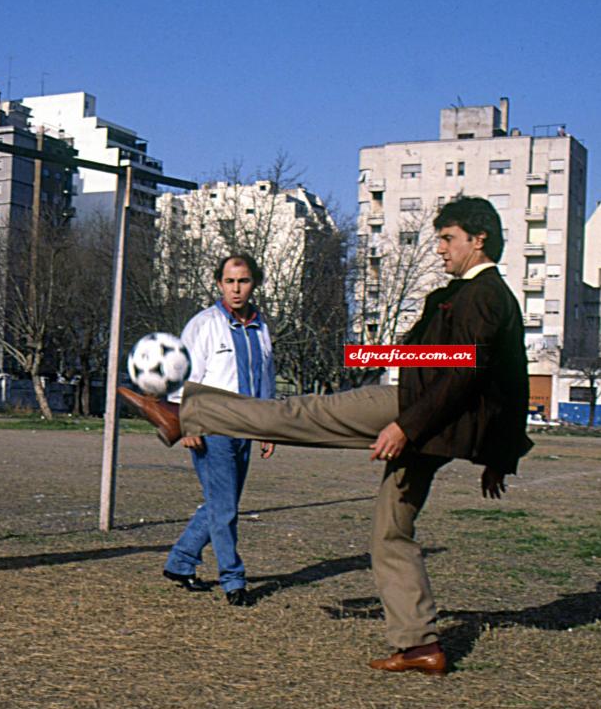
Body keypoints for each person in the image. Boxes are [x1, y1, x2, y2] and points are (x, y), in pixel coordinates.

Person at [120, 197, 532, 674]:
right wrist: (499, 454)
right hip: (431, 424)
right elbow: (488, 370)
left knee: (300, 413)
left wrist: (406, 426)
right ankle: (420, 645)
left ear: (478, 240)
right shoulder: (467, 293)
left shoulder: (483, 294)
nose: (439, 249)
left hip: (416, 413)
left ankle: (183, 412)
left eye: (447, 239)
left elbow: (469, 372)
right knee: (390, 533)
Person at [160, 254, 275, 607]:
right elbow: (182, 374)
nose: (236, 288)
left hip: (247, 425)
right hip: (211, 426)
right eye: (229, 281)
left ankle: (180, 562)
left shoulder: (260, 326)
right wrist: (186, 423)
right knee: (225, 508)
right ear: (219, 284)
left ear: (254, 283)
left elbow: (265, 379)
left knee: (221, 504)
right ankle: (233, 581)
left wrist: (268, 428)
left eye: (243, 281)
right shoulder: (204, 324)